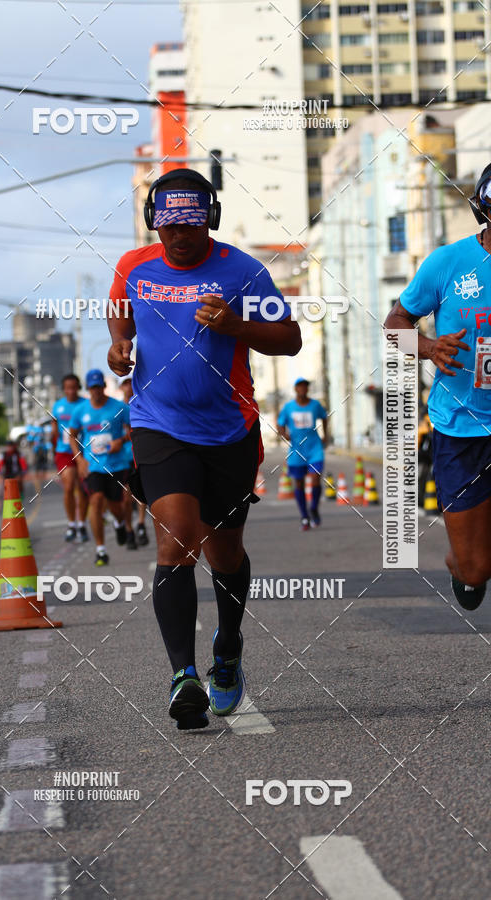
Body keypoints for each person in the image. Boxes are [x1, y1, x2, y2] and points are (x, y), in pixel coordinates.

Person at [107, 167, 302, 729]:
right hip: (158, 424)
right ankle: (182, 677)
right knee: (176, 542)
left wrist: (237, 325)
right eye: (169, 226)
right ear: (154, 225)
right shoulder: (132, 268)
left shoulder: (243, 270)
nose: (180, 236)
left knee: (224, 554)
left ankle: (229, 644)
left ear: (208, 219)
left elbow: (289, 339)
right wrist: (121, 347)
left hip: (230, 432)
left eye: (191, 224)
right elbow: (121, 319)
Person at [384, 162, 491, 610]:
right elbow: (395, 323)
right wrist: (427, 348)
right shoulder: (448, 264)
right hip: (461, 427)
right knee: (474, 570)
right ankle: (463, 561)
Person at [69, 368, 136, 565]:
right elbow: (72, 435)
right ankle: (100, 549)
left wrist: (122, 440)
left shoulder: (119, 408)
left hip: (116, 465)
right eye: (93, 388)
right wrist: (79, 459)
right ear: (88, 389)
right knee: (96, 501)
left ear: (104, 387)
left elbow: (137, 427)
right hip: (93, 467)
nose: (96, 391)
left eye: (99, 387)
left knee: (117, 505)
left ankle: (120, 522)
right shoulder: (80, 411)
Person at [277, 377, 328, 531]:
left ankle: (313, 507)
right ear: (296, 389)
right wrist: (284, 435)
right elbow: (280, 423)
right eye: (300, 386)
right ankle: (304, 516)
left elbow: (324, 417)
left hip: (314, 448)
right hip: (296, 450)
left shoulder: (315, 405)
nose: (303, 389)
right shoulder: (289, 407)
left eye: (306, 386)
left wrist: (325, 434)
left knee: (315, 480)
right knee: (298, 483)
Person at [51, 374, 89, 543]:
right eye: (68, 387)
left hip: (83, 451)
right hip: (64, 452)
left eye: (74, 387)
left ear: (78, 387)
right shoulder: (58, 407)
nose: (71, 391)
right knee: (69, 487)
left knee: (82, 489)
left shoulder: (85, 405)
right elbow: (54, 432)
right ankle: (71, 523)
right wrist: (54, 454)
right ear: (64, 389)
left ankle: (81, 524)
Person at [120, 377, 149, 547]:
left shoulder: (141, 404)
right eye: (125, 386)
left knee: (140, 492)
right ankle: (129, 530)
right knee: (125, 497)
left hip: (139, 454)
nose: (128, 389)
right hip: (123, 458)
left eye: (130, 385)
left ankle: (140, 524)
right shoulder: (118, 409)